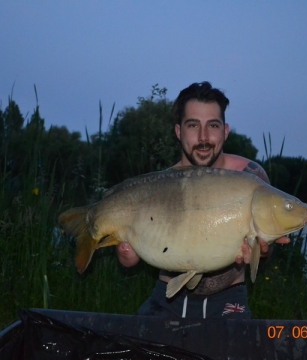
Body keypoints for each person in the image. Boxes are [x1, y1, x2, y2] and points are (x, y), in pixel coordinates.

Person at [116, 81, 289, 319]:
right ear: (178, 131)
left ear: (225, 131)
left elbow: (267, 254)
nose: (204, 137)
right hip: (168, 297)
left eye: (213, 125)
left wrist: (263, 251)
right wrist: (127, 254)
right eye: (193, 125)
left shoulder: (251, 177)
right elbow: (130, 260)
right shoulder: (159, 187)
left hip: (229, 298)